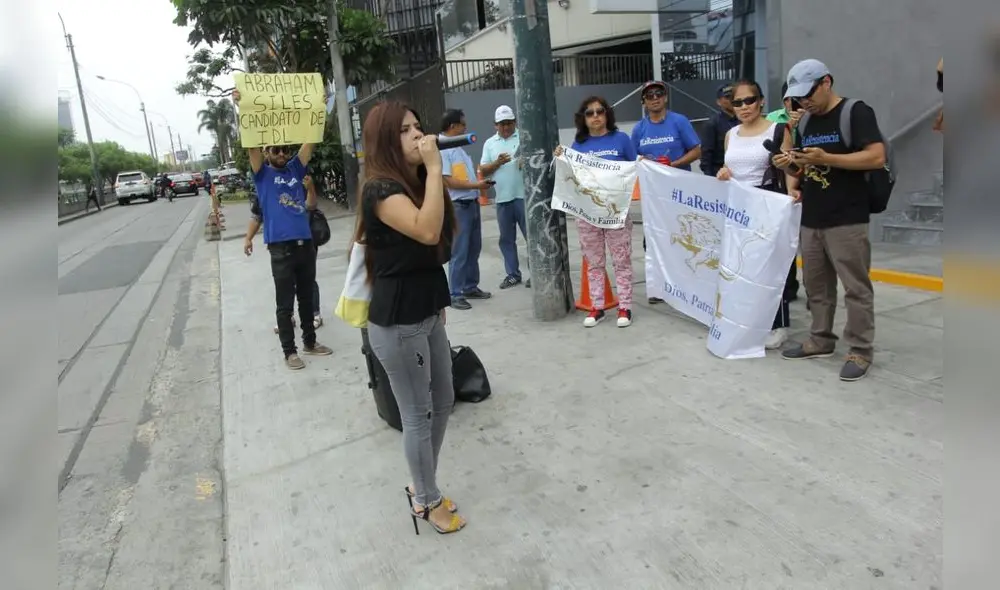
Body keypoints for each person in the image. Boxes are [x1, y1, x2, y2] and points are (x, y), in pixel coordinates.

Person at [354, 101, 465, 535]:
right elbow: (425, 230)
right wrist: (436, 169)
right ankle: (426, 498)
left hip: (428, 311)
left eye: (419, 126)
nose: (419, 136)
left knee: (444, 401)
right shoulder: (380, 190)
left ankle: (422, 484)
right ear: (385, 140)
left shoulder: (416, 182)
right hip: (397, 323)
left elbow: (437, 246)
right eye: (405, 131)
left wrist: (429, 173)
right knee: (417, 413)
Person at [771, 59, 887, 381]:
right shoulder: (805, 121)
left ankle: (860, 351)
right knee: (816, 287)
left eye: (808, 93)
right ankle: (820, 339)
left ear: (826, 82)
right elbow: (804, 171)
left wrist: (829, 158)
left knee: (855, 288)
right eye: (798, 96)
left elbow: (877, 156)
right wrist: (788, 163)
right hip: (813, 216)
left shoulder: (856, 112)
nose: (803, 101)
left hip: (848, 217)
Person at [233, 90, 333, 370]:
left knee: (305, 299)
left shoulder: (294, 170)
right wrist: (242, 107)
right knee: (284, 304)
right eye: (274, 150)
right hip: (280, 250)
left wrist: (319, 109)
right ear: (266, 153)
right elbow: (251, 143)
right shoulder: (262, 174)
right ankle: (290, 352)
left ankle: (310, 343)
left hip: (305, 246)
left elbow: (310, 141)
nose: (280, 153)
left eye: (284, 149)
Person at [714, 79, 792, 350]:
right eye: (738, 102)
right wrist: (723, 174)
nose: (744, 107)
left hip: (767, 204)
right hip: (737, 207)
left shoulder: (778, 129)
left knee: (769, 266)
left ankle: (778, 323)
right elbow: (729, 167)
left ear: (760, 101)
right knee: (742, 266)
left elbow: (789, 170)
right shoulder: (731, 134)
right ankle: (748, 317)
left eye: (750, 100)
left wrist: (792, 198)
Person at [555, 96, 636, 328]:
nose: (596, 116)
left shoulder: (621, 140)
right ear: (583, 118)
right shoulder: (579, 145)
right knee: (594, 262)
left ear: (607, 114)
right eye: (589, 113)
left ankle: (625, 306)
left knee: (621, 260)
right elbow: (572, 177)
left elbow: (634, 170)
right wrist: (562, 157)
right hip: (588, 214)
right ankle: (597, 306)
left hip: (615, 213)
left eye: (600, 111)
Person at [631, 79, 702, 304]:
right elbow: (632, 157)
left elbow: (697, 150)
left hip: (679, 191)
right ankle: (658, 285)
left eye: (658, 94)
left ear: (665, 97)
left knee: (681, 237)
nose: (654, 99)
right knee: (652, 239)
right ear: (644, 102)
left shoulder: (679, 121)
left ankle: (684, 285)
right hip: (653, 195)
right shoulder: (639, 128)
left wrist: (675, 163)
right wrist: (642, 161)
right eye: (649, 96)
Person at [438, 108, 492, 310]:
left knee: (473, 247)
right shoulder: (443, 148)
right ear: (453, 126)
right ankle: (455, 293)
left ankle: (470, 286)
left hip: (471, 203)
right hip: (458, 206)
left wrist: (477, 187)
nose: (465, 127)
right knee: (459, 250)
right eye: (462, 124)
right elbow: (448, 181)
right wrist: (477, 186)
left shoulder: (458, 148)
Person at [480, 105, 530, 289]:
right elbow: (483, 170)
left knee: (530, 237)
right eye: (501, 124)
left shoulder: (524, 137)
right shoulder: (490, 144)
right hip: (502, 199)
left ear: (515, 122)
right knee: (507, 240)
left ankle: (536, 272)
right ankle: (512, 274)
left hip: (524, 197)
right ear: (495, 125)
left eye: (509, 123)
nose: (506, 127)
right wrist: (497, 162)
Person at [765, 81, 805, 303]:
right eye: (794, 99)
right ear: (785, 101)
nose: (799, 104)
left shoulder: (814, 118)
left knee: (808, 245)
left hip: (810, 183)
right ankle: (787, 289)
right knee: (784, 242)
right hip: (782, 187)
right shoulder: (772, 121)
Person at [699, 83, 738, 177]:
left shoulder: (744, 120)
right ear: (719, 102)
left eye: (734, 96)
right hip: (720, 176)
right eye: (728, 97)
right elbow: (706, 156)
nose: (732, 100)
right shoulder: (712, 124)